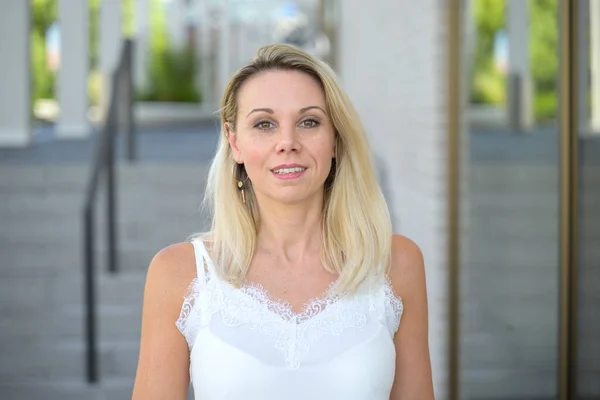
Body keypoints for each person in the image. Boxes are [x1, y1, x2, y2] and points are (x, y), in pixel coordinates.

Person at [132, 44, 434, 399]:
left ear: (335, 140)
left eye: (309, 122)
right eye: (264, 124)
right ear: (235, 143)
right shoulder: (180, 273)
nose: (287, 142)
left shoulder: (395, 263)